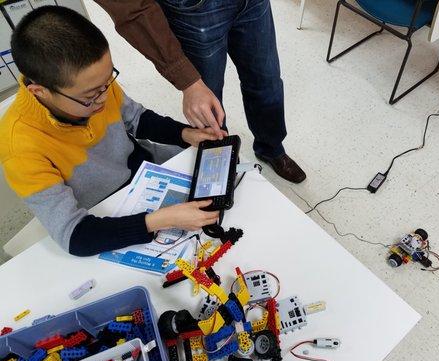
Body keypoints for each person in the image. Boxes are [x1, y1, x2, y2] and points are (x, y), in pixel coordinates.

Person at [0, 6, 224, 257]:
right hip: (106, 212)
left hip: (147, 175)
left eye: (108, 81)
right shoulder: (18, 146)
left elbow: (137, 119)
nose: (105, 97)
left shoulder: (95, 84)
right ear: (39, 92)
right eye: (91, 96)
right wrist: (160, 221)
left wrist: (184, 133)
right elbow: (75, 235)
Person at [95, 0, 307, 183]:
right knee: (208, 101)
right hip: (194, 11)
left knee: (266, 81)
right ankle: (220, 161)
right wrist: (186, 78)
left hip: (253, 5)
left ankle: (272, 148)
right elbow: (130, 8)